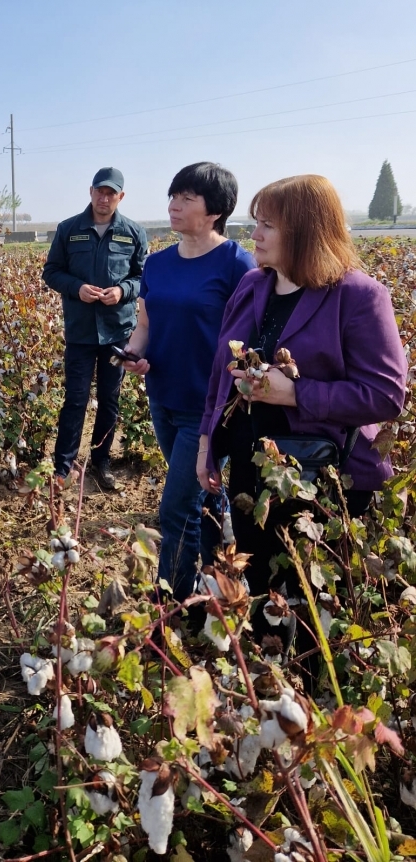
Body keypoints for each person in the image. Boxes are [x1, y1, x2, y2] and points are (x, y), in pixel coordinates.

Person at [197, 174, 407, 617]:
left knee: (310, 601)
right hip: (252, 473)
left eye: (267, 225)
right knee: (261, 594)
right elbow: (221, 370)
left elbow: (386, 395)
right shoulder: (253, 285)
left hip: (320, 481)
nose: (253, 234)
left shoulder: (358, 296)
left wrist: (296, 394)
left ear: (306, 230)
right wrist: (206, 444)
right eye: (256, 222)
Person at [122, 162, 255, 601]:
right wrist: (134, 354)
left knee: (176, 507)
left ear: (214, 211)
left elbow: (250, 337)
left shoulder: (237, 263)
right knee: (204, 493)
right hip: (162, 395)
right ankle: (223, 579)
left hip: (208, 406)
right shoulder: (157, 263)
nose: (174, 206)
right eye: (173, 196)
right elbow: (145, 326)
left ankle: (172, 605)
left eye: (186, 198)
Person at [43, 167, 147, 490]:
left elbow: (142, 277)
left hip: (118, 334)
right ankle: (64, 467)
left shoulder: (133, 233)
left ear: (121, 197)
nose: (104, 198)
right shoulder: (68, 229)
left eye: (111, 193)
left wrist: (122, 291)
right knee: (75, 398)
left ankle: (102, 461)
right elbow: (51, 272)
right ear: (90, 192)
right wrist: (77, 288)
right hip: (81, 334)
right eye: (100, 191)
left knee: (110, 398)